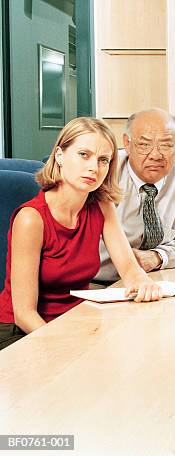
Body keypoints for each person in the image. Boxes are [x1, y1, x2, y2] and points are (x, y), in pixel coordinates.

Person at [0, 117, 161, 350]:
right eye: (83, 155)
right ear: (59, 155)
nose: (94, 168)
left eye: (103, 160)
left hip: (73, 321)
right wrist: (64, 349)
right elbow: (24, 314)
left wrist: (142, 282)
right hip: (23, 331)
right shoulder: (31, 219)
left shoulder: (102, 206)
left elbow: (128, 268)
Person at [96, 108, 175, 282]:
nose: (155, 155)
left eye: (166, 145)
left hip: (155, 279)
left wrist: (157, 257)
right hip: (99, 284)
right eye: (144, 145)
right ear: (127, 144)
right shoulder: (105, 171)